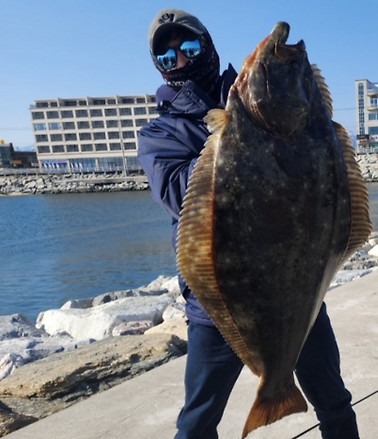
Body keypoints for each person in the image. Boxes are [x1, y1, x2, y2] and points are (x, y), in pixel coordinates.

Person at [137, 9, 360, 439]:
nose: (180, 61)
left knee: (334, 402)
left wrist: (245, 119)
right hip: (219, 303)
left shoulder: (247, 94)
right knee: (196, 424)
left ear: (207, 45)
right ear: (160, 68)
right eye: (167, 58)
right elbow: (176, 194)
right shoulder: (159, 134)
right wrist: (235, 134)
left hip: (298, 290)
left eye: (188, 48)